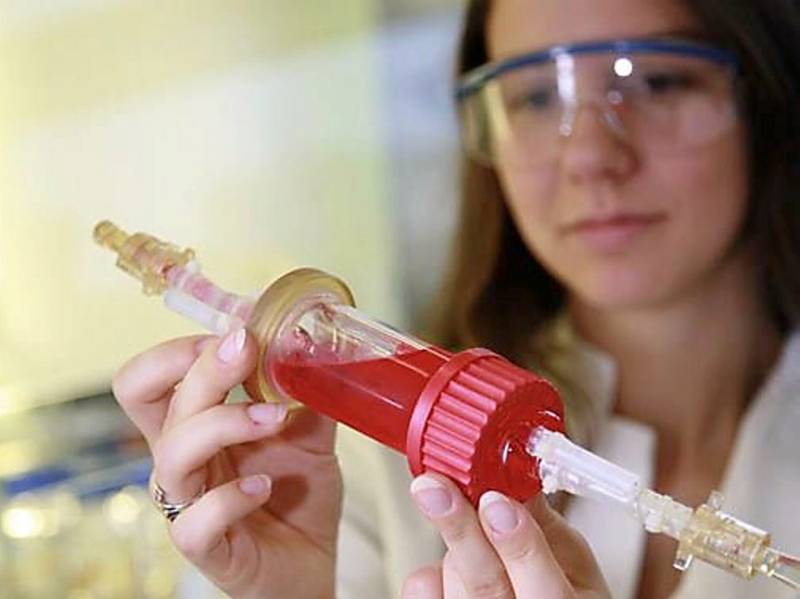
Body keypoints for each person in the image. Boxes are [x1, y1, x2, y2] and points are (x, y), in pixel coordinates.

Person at [110, 0, 800, 597]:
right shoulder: (358, 461)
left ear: (767, 94)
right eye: (535, 97)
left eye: (655, 81)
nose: (589, 155)